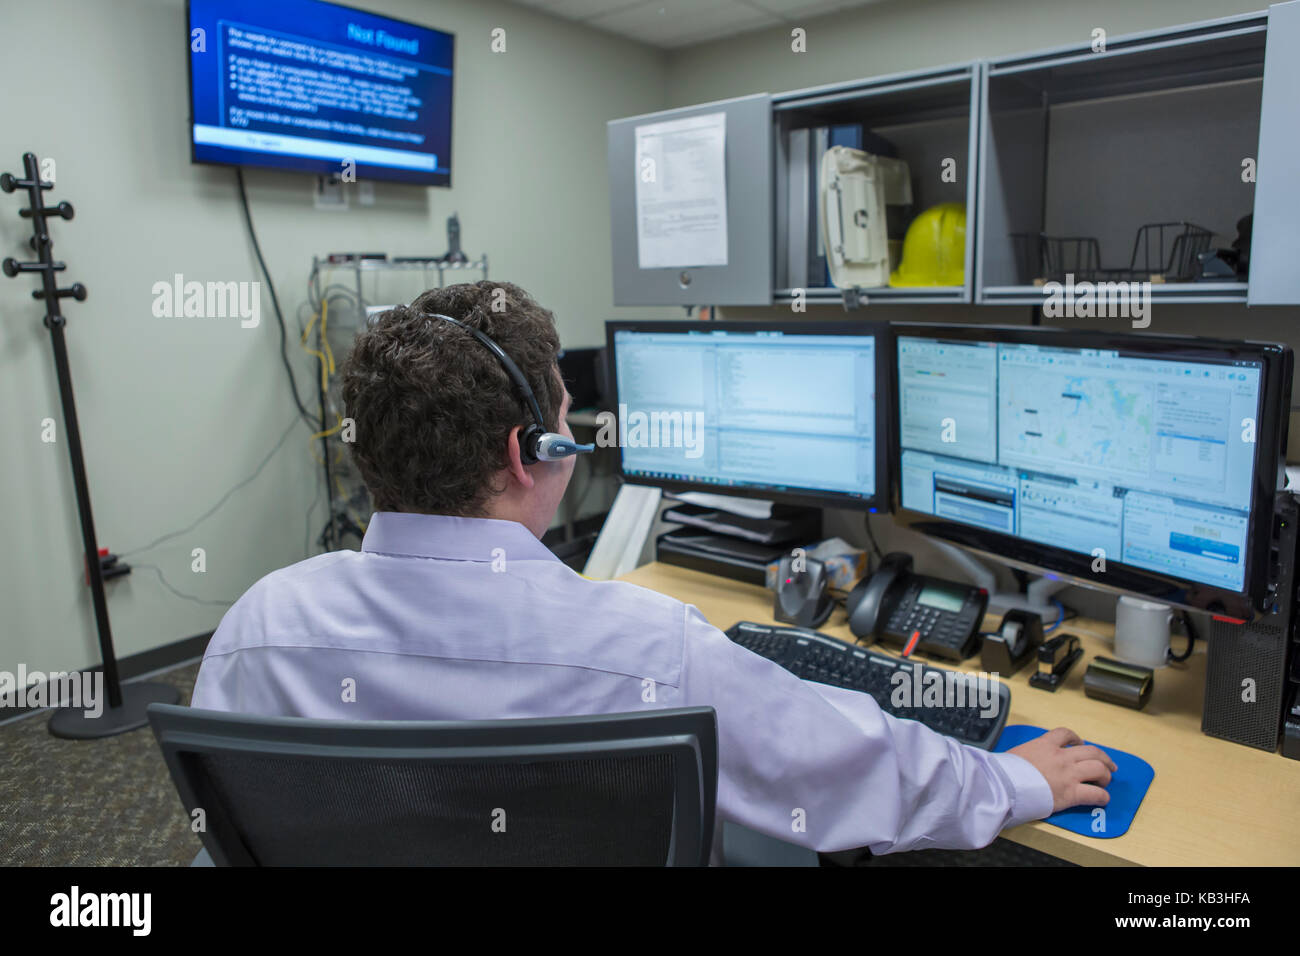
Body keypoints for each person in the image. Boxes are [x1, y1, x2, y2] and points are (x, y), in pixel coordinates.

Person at [191, 280, 1115, 859]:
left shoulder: (259, 626)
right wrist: (1014, 782)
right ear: (531, 452)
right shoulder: (644, 648)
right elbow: (843, 764)